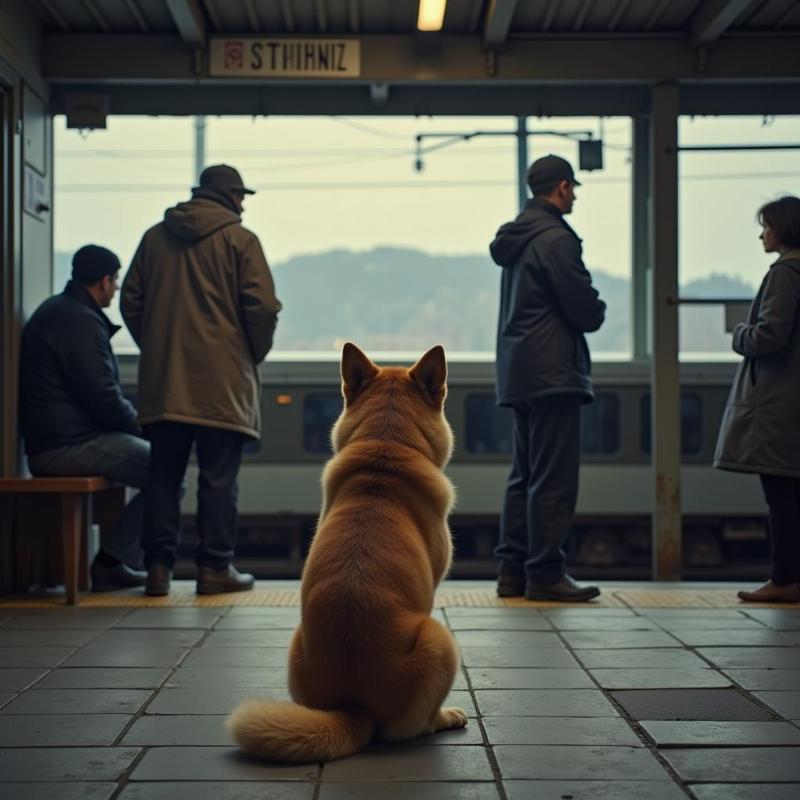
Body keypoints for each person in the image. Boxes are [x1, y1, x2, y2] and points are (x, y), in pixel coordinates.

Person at [121, 164, 281, 597]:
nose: (244, 205)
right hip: (222, 384)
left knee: (164, 478)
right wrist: (251, 353)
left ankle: (157, 570)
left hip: (164, 383)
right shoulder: (241, 241)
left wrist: (157, 347)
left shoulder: (155, 238)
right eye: (241, 197)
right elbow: (263, 307)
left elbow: (130, 300)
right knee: (218, 480)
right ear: (229, 197)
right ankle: (214, 570)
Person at [490, 154, 606, 602]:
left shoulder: (517, 239)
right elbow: (583, 308)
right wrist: (598, 310)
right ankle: (545, 573)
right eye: (573, 187)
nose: (574, 194)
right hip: (554, 369)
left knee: (524, 474)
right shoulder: (555, 239)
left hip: (519, 370)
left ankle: (512, 572)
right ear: (560, 187)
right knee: (553, 478)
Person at [19, 244, 148, 590]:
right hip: (66, 445)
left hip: (56, 439)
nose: (117, 288)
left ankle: (114, 558)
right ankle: (112, 561)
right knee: (166, 470)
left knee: (157, 467)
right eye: (116, 280)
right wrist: (144, 431)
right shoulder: (80, 321)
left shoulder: (61, 311)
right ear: (104, 281)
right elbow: (103, 397)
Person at [714, 195, 800, 603]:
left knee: (780, 495)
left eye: (766, 226)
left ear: (782, 229)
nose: (761, 233)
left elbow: (770, 335)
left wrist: (739, 333)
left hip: (779, 401)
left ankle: (784, 580)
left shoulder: (786, 272)